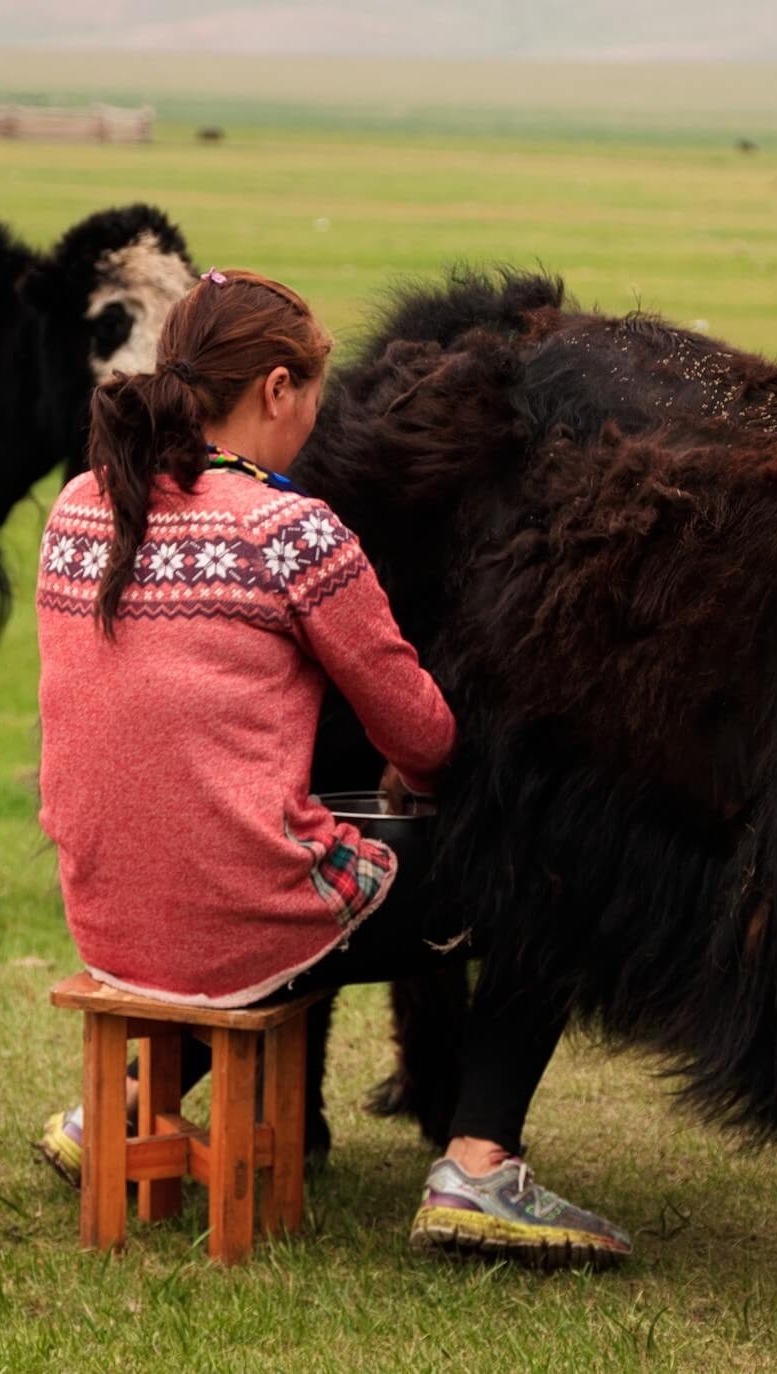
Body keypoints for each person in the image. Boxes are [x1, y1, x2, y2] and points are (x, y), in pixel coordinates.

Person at [32, 267, 629, 1267]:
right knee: (548, 868)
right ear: (275, 389)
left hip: (109, 918)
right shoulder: (291, 530)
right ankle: (479, 1164)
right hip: (243, 923)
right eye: (310, 390)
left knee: (210, 859)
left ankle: (123, 1107)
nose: (314, 414)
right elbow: (423, 730)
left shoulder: (83, 505)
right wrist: (419, 774)